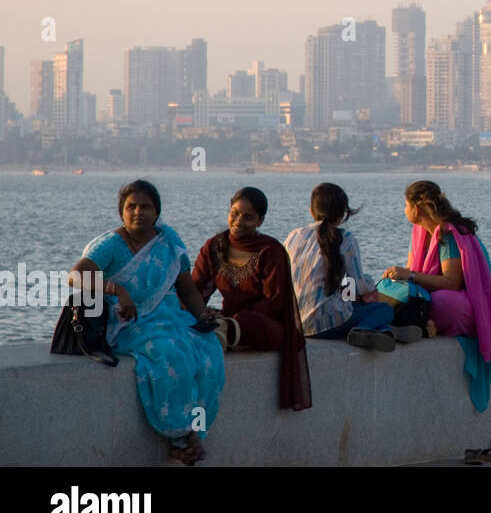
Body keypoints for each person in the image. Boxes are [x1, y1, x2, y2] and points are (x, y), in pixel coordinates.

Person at [68, 180, 225, 465]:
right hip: (129, 323)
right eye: (131, 207)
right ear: (121, 212)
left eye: (145, 207)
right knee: (169, 354)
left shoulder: (168, 242)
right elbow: (76, 276)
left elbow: (187, 287)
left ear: (156, 211)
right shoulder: (112, 244)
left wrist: (202, 315)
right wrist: (117, 290)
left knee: (209, 352)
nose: (138, 212)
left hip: (170, 318)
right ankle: (179, 436)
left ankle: (195, 430)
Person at [380, 180, 491, 411]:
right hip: (436, 294)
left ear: (416, 209)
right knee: (398, 294)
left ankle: (430, 325)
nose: (404, 210)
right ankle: (424, 324)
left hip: (469, 304)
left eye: (405, 205)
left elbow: (452, 282)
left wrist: (409, 276)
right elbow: (414, 276)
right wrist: (400, 279)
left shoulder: (448, 234)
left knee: (443, 302)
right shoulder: (420, 233)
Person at [192, 187, 311, 411]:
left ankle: (224, 332)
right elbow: (195, 290)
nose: (238, 221)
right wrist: (198, 311)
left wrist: (237, 320)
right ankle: (220, 331)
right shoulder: (215, 247)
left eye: (248, 217)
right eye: (235, 213)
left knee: (258, 326)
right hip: (225, 321)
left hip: (263, 324)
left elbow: (274, 302)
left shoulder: (270, 250)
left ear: (260, 221)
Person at [285, 183, 420, 352]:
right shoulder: (346, 239)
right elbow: (354, 287)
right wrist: (370, 284)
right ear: (342, 215)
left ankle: (383, 331)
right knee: (384, 309)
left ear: (311, 211)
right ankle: (366, 328)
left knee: (351, 304)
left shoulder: (293, 236)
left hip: (296, 325)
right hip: (329, 325)